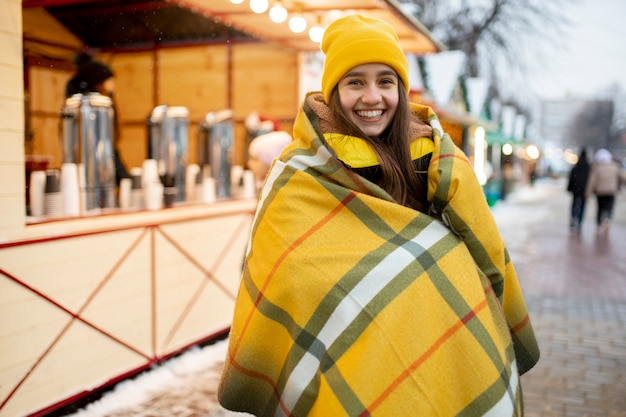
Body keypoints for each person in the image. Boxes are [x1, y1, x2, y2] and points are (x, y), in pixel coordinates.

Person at [218, 14, 539, 416]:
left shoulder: (440, 165)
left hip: (445, 359)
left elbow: (489, 259)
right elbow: (281, 272)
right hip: (344, 364)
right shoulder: (299, 173)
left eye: (385, 81)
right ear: (334, 90)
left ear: (401, 91)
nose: (372, 97)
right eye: (356, 82)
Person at [65, 52, 129, 185]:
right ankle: (124, 183)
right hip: (96, 139)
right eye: (109, 82)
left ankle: (124, 182)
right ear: (99, 82)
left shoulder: (78, 84)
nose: (112, 86)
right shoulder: (93, 100)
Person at [585, 148, 622, 235]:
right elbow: (621, 177)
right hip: (611, 191)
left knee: (600, 208)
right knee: (609, 207)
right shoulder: (614, 166)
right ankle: (607, 220)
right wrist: (619, 186)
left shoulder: (597, 168)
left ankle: (598, 225)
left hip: (600, 192)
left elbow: (592, 181)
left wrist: (588, 192)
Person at [567, 148, 590, 233]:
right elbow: (590, 180)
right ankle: (580, 221)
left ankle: (573, 217)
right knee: (582, 206)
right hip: (584, 190)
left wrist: (569, 188)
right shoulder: (588, 168)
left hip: (576, 189)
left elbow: (571, 178)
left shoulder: (576, 166)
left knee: (574, 204)